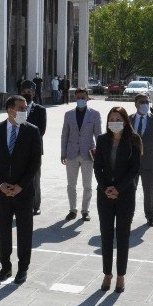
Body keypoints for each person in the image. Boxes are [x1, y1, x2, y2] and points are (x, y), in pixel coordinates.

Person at [0, 95, 43, 284]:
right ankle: (5, 267)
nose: (24, 112)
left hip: (23, 191)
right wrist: (0, 183)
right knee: (3, 231)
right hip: (2, 191)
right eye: (20, 108)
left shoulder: (32, 131)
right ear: (10, 109)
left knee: (25, 231)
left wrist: (21, 185)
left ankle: (23, 268)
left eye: (25, 108)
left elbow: (35, 162)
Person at [93, 106, 141, 292]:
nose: (114, 122)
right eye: (111, 119)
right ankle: (107, 273)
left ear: (125, 121)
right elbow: (98, 167)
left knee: (122, 236)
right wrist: (106, 188)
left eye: (118, 119)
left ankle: (120, 275)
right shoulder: (103, 140)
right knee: (106, 235)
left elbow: (134, 169)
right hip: (104, 195)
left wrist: (118, 189)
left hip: (125, 194)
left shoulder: (133, 140)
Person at [60, 88, 102, 221]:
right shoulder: (68, 114)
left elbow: (98, 135)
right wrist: (63, 153)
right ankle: (72, 210)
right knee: (71, 185)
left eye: (82, 98)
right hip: (71, 153)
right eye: (77, 98)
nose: (80, 100)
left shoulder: (95, 114)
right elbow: (64, 135)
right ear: (74, 98)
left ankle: (85, 210)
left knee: (87, 185)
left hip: (88, 153)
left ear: (87, 98)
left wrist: (100, 154)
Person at [129, 92, 153, 226]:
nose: (144, 104)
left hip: (150, 162)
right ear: (135, 104)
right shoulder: (129, 119)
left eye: (146, 102)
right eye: (141, 102)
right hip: (132, 162)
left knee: (149, 190)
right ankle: (128, 215)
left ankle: (150, 216)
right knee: (129, 190)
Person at [18, 81, 48, 214]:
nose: (27, 94)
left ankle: (36, 205)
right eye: (24, 92)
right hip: (18, 150)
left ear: (34, 94)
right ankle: (22, 203)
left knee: (35, 177)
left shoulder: (40, 110)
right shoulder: (17, 109)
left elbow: (41, 130)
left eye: (29, 92)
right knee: (20, 177)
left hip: (34, 150)